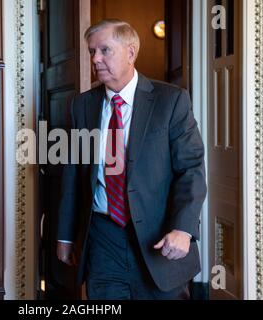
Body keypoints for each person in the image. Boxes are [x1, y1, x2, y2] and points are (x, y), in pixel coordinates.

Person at [56, 19, 207, 300]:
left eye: (104, 50)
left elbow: (191, 169)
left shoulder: (171, 100)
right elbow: (73, 175)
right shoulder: (82, 105)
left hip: (159, 240)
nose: (96, 59)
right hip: (103, 240)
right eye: (92, 52)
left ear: (131, 52)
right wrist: (65, 235)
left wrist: (183, 228)